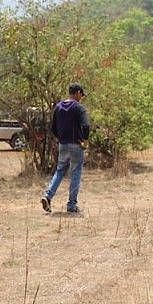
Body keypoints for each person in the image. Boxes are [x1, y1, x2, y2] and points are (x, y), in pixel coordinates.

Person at [41, 83, 90, 214]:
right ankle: (72, 205)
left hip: (63, 144)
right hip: (76, 144)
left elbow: (53, 128)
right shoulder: (79, 108)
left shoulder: (59, 107)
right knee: (75, 173)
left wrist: (60, 138)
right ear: (78, 93)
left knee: (60, 171)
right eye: (81, 95)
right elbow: (86, 126)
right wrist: (85, 141)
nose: (82, 97)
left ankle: (48, 196)